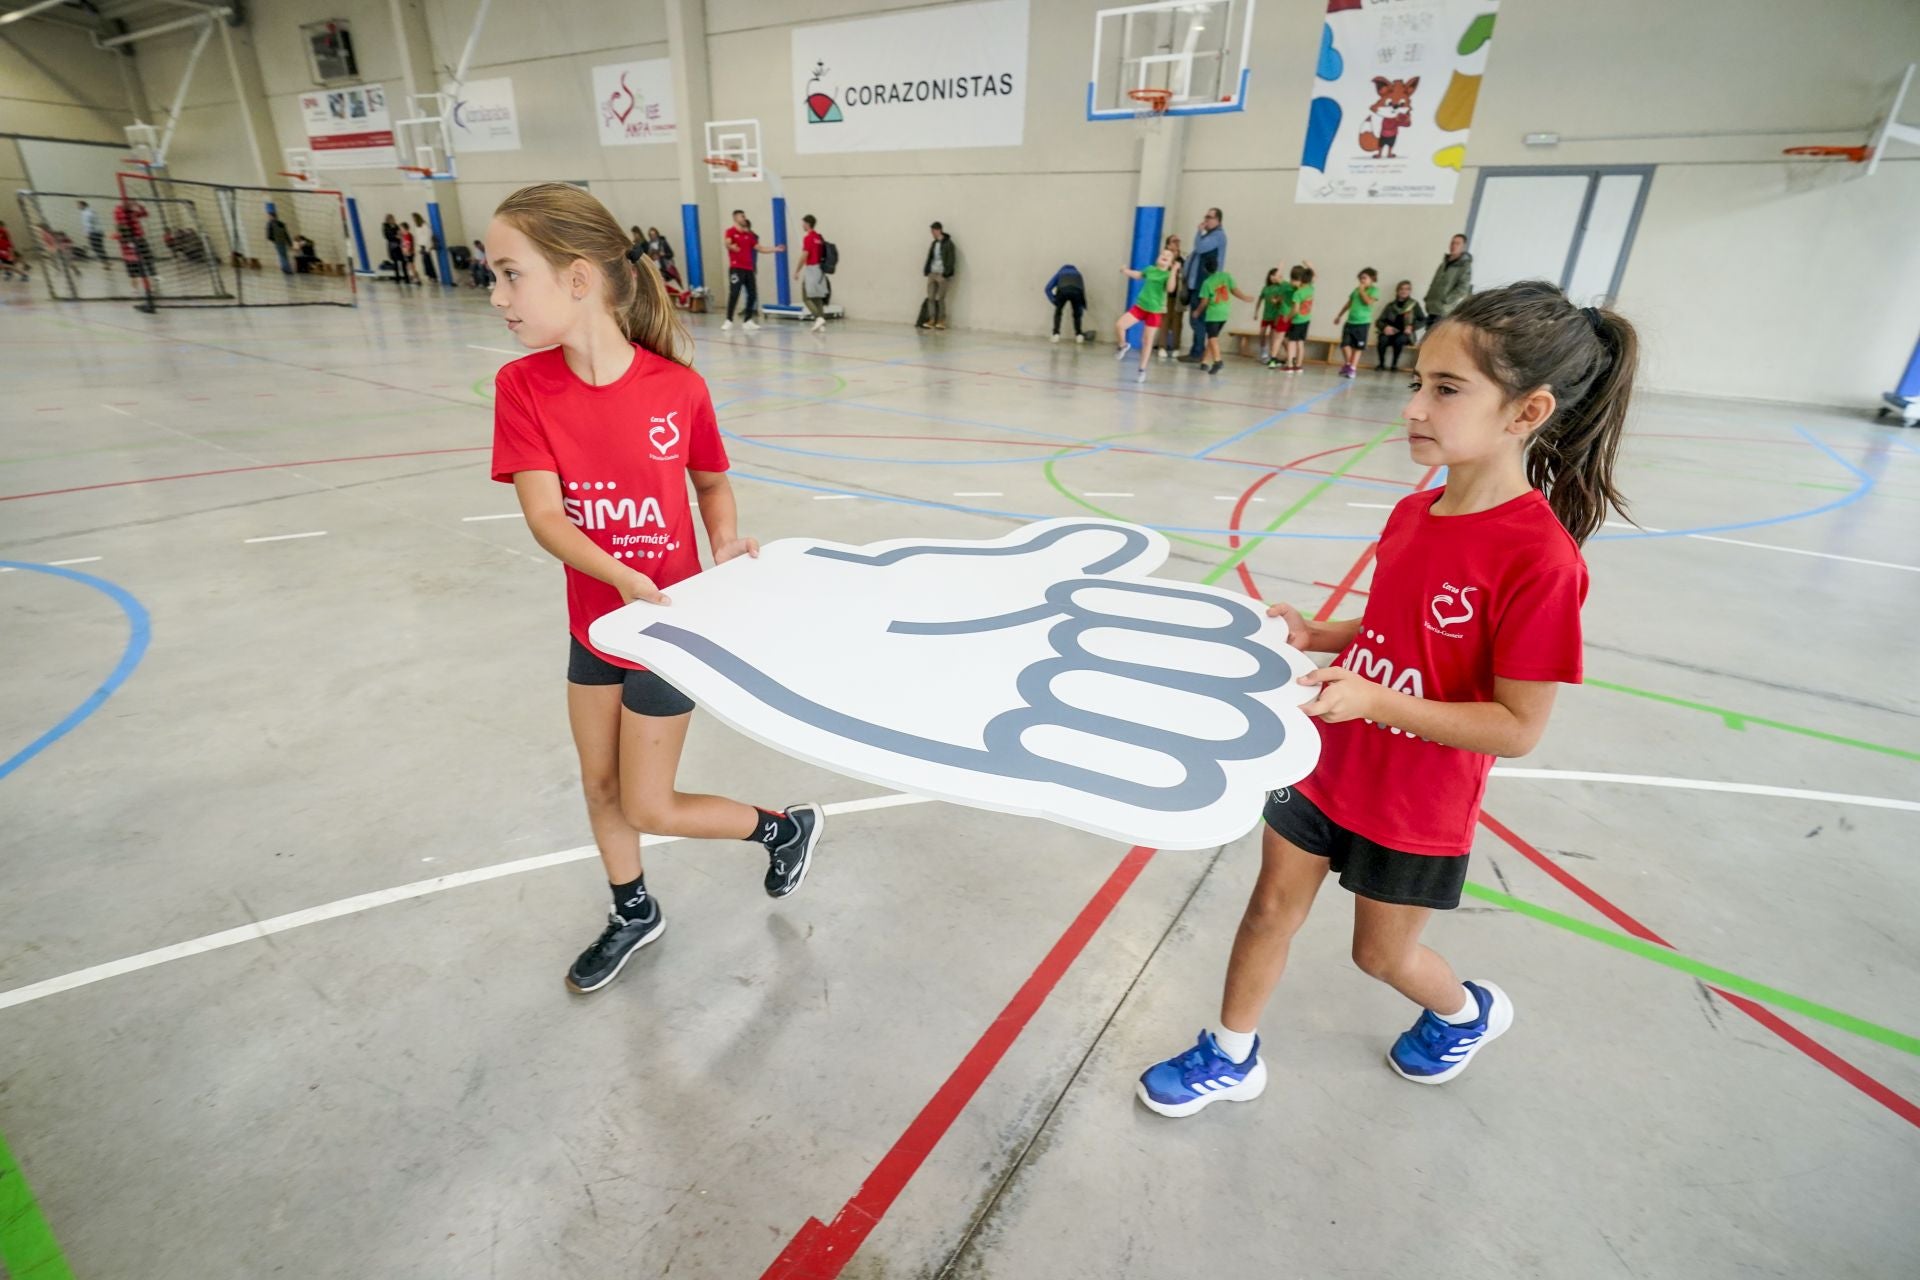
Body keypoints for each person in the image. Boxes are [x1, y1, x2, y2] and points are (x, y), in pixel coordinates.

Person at [1136, 280, 1636, 1116]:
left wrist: (1376, 701)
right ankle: (1231, 1054)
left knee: (1381, 957)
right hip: (1329, 760)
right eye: (1416, 382)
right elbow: (1403, 626)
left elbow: (1517, 728)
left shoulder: (1541, 560)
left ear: (1526, 411)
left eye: (1446, 390)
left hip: (1418, 799)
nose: (1413, 407)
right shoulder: (1414, 513)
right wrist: (1323, 635)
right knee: (1268, 909)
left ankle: (1465, 1012)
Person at [485, 182, 826, 993]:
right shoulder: (522, 388)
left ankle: (781, 829)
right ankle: (632, 909)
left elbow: (711, 483)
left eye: (509, 274)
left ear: (576, 278)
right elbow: (545, 517)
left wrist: (722, 543)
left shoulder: (677, 389)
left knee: (647, 803)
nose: (496, 296)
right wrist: (620, 578)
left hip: (671, 629)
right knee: (598, 784)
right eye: (492, 276)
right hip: (597, 625)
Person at [1114, 248, 1175, 383]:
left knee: (1147, 341)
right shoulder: (1150, 269)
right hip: (1141, 306)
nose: (1164, 256)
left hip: (1154, 311)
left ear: (1171, 263)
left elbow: (1171, 288)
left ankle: (1142, 369)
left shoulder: (1168, 275)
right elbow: (1138, 275)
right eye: (1162, 254)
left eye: (1168, 256)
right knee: (1119, 325)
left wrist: (1174, 271)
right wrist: (1125, 271)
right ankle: (1123, 345)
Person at [1179, 208, 1226, 363]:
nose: (1206, 220)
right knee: (1196, 320)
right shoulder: (1210, 236)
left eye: (1209, 217)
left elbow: (1200, 248)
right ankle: (1198, 351)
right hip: (1197, 284)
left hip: (1203, 285)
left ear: (1218, 220)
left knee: (1198, 319)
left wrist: (1199, 232)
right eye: (1205, 216)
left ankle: (1198, 352)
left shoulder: (1217, 236)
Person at [722, 210, 780, 332]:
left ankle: (747, 320)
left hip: (749, 269)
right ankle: (728, 320)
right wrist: (731, 246)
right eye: (742, 216)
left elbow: (760, 248)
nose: (744, 218)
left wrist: (775, 249)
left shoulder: (749, 236)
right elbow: (727, 242)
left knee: (752, 294)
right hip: (736, 268)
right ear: (736, 217)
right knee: (734, 293)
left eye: (744, 216)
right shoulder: (731, 232)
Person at [1195, 260, 1256, 375]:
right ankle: (1204, 361)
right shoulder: (1226, 276)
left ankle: (1218, 361)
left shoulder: (1207, 283)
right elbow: (1234, 290)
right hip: (1224, 313)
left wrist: (1197, 311)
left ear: (1205, 269)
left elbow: (1204, 301)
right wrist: (1244, 297)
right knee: (1213, 338)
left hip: (1213, 314)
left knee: (1212, 338)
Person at [1334, 267, 1381, 378]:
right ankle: (1349, 364)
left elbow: (1368, 302)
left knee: (1357, 347)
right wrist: (1339, 315)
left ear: (1372, 279)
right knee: (1345, 344)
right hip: (1350, 321)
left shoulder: (1374, 290)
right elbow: (1348, 303)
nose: (1361, 280)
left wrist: (1362, 290)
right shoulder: (1356, 290)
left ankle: (1352, 368)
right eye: (1360, 278)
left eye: (1364, 278)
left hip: (1362, 323)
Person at [1423, 233, 1473, 330]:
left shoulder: (1465, 266)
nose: (1453, 246)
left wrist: (1446, 300)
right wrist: (1428, 298)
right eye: (1452, 243)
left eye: (1457, 243)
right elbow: (1434, 283)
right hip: (1432, 307)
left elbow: (1463, 289)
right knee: (1428, 336)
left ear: (1463, 246)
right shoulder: (1444, 263)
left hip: (1443, 310)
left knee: (1436, 339)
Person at [1375, 280, 1427, 371]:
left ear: (1410, 291)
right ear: (1397, 290)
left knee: (1399, 340)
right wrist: (1385, 327)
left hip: (1405, 334)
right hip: (1391, 332)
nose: (1404, 291)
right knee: (1382, 339)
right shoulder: (1390, 306)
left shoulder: (1414, 305)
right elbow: (1379, 321)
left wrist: (1412, 327)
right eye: (1401, 289)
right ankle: (1381, 364)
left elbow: (1423, 320)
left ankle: (1394, 365)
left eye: (1407, 289)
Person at [795, 213, 830, 332]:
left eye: (803, 223)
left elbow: (805, 255)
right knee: (817, 297)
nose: (802, 225)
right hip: (820, 270)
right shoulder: (819, 238)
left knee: (806, 297)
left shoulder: (808, 238)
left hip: (811, 269)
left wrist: (797, 270)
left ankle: (818, 317)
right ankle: (822, 324)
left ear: (807, 224)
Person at [920, 222, 955, 330]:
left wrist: (946, 273)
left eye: (933, 231)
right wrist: (927, 269)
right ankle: (931, 319)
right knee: (931, 297)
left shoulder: (948, 244)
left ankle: (941, 321)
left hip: (942, 274)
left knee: (941, 298)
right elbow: (930, 257)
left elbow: (951, 259)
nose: (932, 233)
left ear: (938, 230)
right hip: (932, 273)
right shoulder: (934, 244)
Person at [1158, 234, 1187, 361]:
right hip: (1166, 294)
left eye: (1178, 241)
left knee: (1177, 323)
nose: (1177, 244)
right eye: (1174, 241)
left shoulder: (1182, 260)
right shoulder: (1164, 257)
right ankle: (1162, 346)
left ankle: (1176, 347)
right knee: (1164, 321)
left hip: (1178, 295)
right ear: (1168, 244)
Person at [1044, 263, 1087, 343]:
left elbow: (1047, 288)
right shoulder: (1078, 274)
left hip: (1062, 291)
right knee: (1077, 315)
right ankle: (1079, 335)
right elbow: (1082, 290)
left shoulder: (1060, 273)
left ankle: (1056, 334)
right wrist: (1083, 306)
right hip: (1077, 292)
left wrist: (1054, 300)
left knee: (1058, 312)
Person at [1257, 268, 1290, 361]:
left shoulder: (1281, 287)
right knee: (1262, 333)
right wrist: (1256, 312)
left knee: (1277, 337)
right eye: (1272, 275)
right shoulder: (1266, 288)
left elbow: (1283, 299)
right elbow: (1260, 299)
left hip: (1276, 316)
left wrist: (1277, 301)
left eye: (1275, 275)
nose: (1273, 277)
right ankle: (1264, 352)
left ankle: (1284, 355)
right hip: (1266, 316)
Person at [412, 212, 438, 284]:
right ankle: (430, 275)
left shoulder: (424, 225)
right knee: (425, 262)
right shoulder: (417, 227)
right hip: (421, 245)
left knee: (428, 261)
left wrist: (428, 247)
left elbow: (428, 236)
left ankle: (433, 276)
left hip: (426, 245)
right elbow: (418, 237)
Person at [266, 206, 293, 274]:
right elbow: (286, 234)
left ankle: (286, 269)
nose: (269, 217)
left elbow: (269, 236)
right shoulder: (281, 223)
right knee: (284, 255)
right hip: (283, 242)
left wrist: (274, 240)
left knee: (282, 255)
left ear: (272, 216)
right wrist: (290, 243)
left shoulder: (270, 224)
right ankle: (285, 268)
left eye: (269, 216)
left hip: (278, 242)